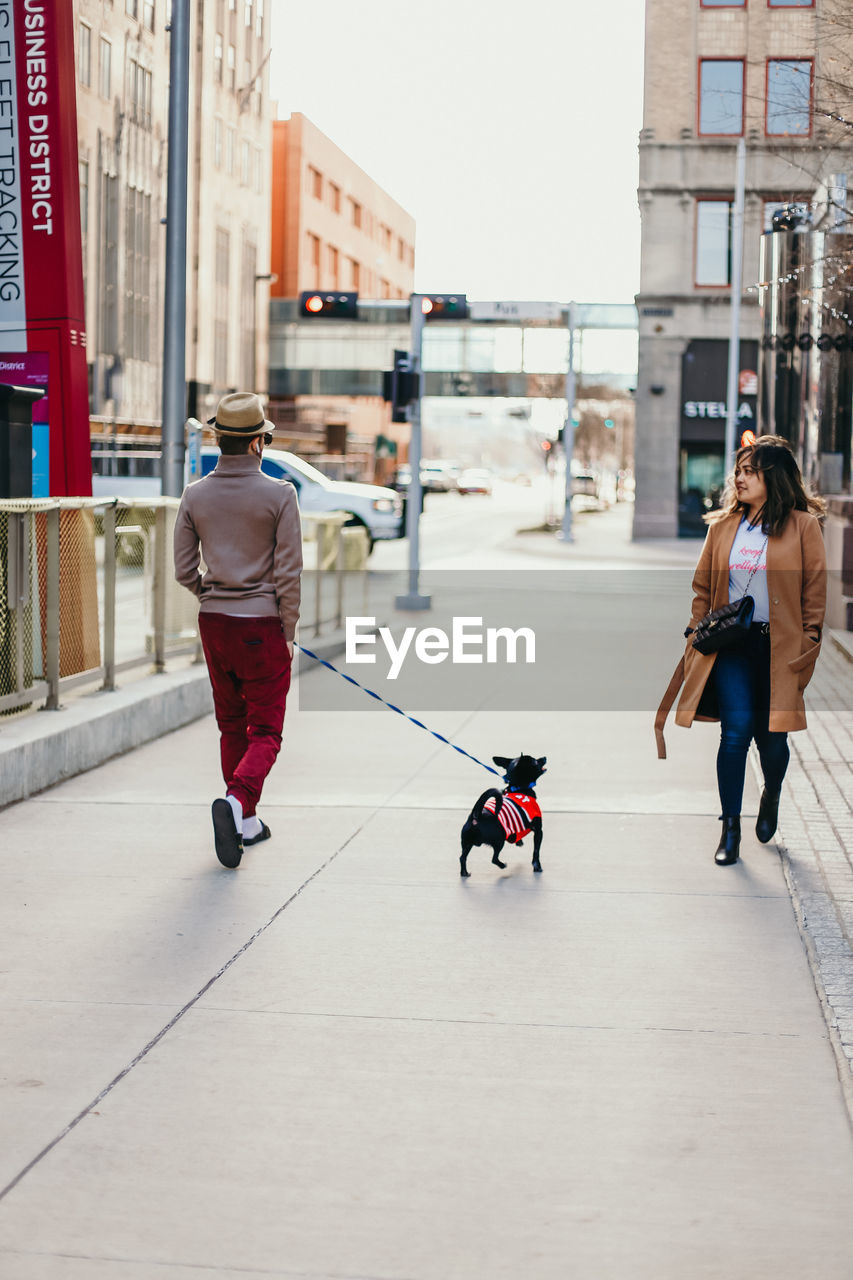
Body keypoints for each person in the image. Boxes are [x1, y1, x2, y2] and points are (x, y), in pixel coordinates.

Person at [655, 435, 826, 866]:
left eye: (751, 471)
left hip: (780, 648)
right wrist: (697, 630)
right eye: (739, 471)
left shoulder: (803, 526)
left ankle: (771, 793)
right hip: (731, 645)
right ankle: (730, 828)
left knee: (772, 742)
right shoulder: (723, 528)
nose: (741, 478)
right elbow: (702, 588)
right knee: (734, 735)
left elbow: (814, 596)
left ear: (774, 476)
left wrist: (807, 646)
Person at [174, 392, 302, 868]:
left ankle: (246, 823)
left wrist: (213, 592)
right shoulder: (280, 495)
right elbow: (289, 573)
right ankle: (237, 802)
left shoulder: (194, 495)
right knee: (266, 730)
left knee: (231, 724)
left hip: (214, 622)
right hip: (262, 625)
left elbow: (184, 570)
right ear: (255, 444)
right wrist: (287, 630)